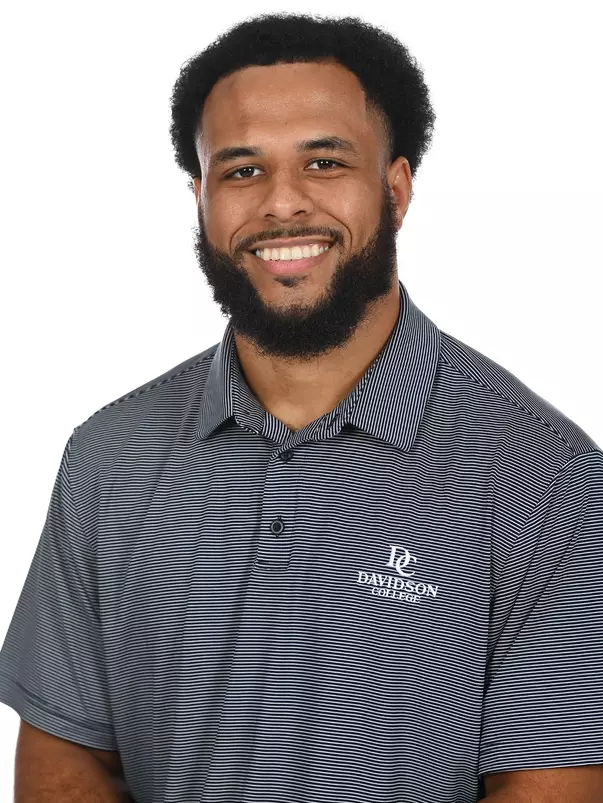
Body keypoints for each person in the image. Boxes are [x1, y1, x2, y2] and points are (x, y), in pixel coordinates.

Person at [1, 12, 602, 803]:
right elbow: (64, 762)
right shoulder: (107, 457)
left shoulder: (548, 477)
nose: (281, 204)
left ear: (394, 188)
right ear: (201, 197)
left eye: (323, 162)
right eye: (242, 170)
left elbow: (552, 786)